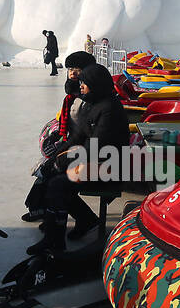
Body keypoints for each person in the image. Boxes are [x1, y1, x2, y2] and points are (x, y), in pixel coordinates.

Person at [27, 62, 128, 254]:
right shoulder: (91, 104)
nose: (80, 86)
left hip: (109, 166)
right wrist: (54, 158)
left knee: (59, 184)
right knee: (51, 178)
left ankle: (54, 240)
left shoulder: (110, 110)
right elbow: (76, 138)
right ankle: (83, 220)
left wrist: (62, 163)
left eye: (84, 83)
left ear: (96, 84)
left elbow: (95, 149)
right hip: (94, 163)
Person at [24, 50, 96, 221]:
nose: (72, 73)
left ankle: (85, 220)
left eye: (77, 69)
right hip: (75, 146)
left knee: (54, 177)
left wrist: (64, 153)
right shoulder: (72, 95)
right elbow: (68, 121)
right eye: (70, 69)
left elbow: (85, 132)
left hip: (87, 154)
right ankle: (39, 208)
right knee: (46, 170)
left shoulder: (88, 98)